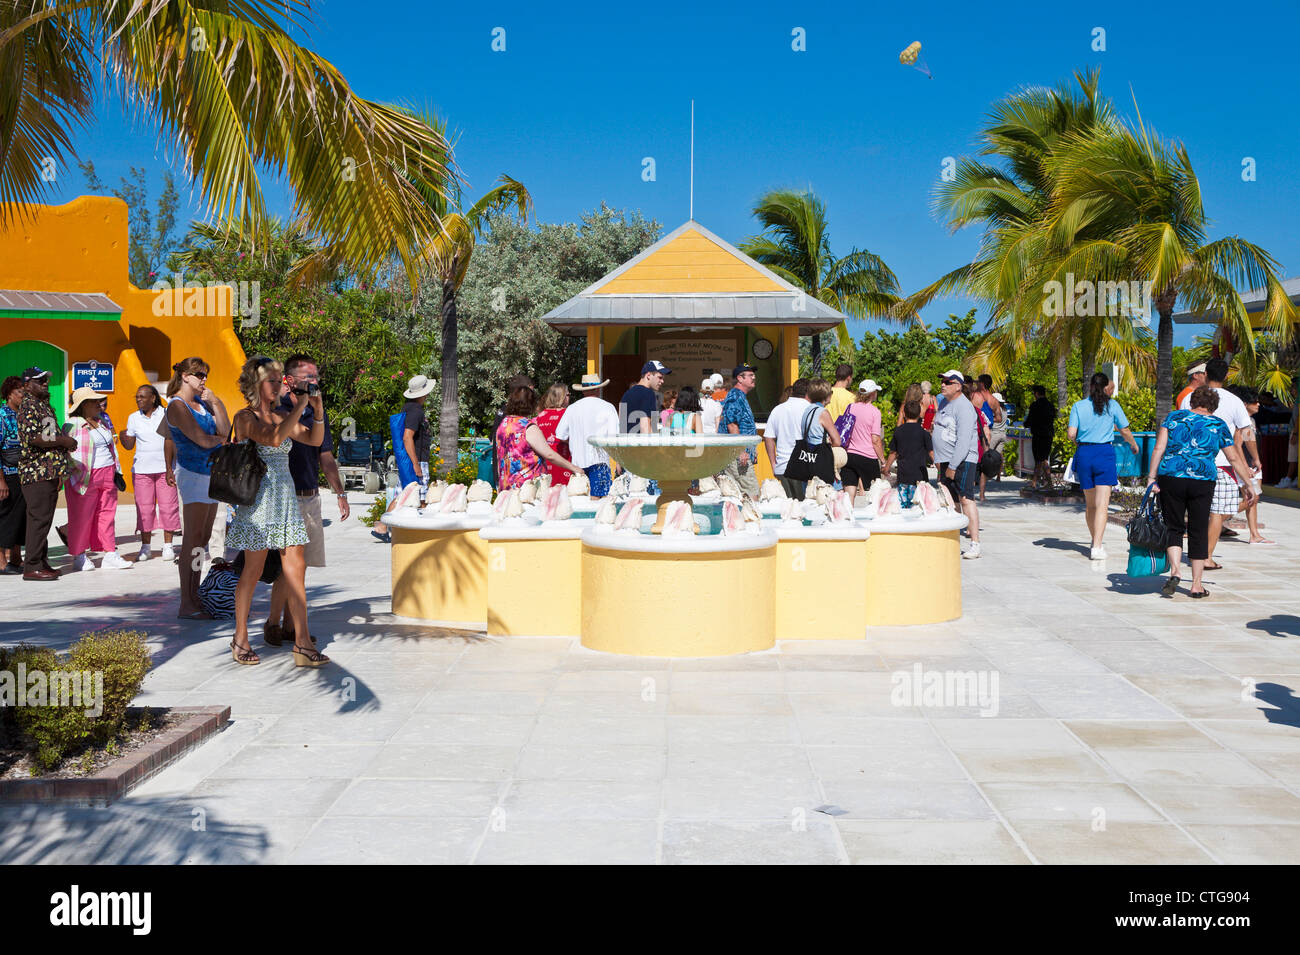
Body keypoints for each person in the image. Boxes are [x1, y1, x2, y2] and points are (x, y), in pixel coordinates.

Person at [225, 356, 328, 666]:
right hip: (258, 501)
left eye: (279, 379)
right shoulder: (245, 418)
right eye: (272, 380)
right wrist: (301, 404)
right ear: (257, 385)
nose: (279, 384)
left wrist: (317, 411)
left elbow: (313, 438)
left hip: (284, 499)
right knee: (253, 572)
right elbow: (272, 438)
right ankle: (240, 638)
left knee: (295, 569)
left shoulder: (279, 415)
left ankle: (302, 642)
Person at [264, 354, 350, 648]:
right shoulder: (277, 409)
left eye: (316, 376)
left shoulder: (315, 413)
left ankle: (290, 625)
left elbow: (324, 455)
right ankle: (274, 623)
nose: (314, 382)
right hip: (284, 498)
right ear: (289, 380)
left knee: (301, 567)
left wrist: (340, 493)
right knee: (287, 568)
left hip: (310, 496)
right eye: (307, 377)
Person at [1147, 385, 1256, 598]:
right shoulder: (1218, 424)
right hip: (1202, 480)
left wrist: (1151, 477)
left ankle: (1176, 570)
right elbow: (1233, 457)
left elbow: (1159, 448)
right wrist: (1248, 484)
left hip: (1172, 477)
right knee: (1197, 530)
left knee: (1174, 527)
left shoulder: (1173, 418)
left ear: (1192, 402)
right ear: (1213, 407)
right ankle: (1196, 585)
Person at [164, 357, 230, 617]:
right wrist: (219, 440)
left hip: (211, 474)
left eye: (205, 374)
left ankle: (194, 595)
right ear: (184, 376)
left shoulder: (202, 402)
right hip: (192, 474)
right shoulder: (177, 406)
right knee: (192, 539)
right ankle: (186, 601)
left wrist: (215, 402)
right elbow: (202, 440)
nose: (203, 379)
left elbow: (224, 429)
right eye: (199, 374)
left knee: (201, 540)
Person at [1178, 358, 1251, 569]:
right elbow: (1246, 432)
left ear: (1206, 374)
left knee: (1196, 511)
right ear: (1226, 375)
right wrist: (1251, 459)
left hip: (1191, 462)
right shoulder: (1235, 401)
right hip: (1224, 464)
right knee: (1217, 512)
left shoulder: (1190, 398)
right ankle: (1206, 556)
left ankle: (1194, 552)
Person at [1068, 372, 1139, 561]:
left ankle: (1094, 540)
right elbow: (1124, 430)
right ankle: (1097, 546)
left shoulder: (1078, 406)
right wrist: (1133, 444)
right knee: (1102, 505)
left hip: (1084, 454)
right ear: (1106, 387)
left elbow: (1071, 434)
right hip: (1104, 455)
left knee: (1090, 505)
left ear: (1091, 386)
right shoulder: (1112, 405)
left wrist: (1082, 442)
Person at [16, 367, 76, 580]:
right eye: (39, 380)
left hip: (48, 471)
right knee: (38, 520)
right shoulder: (28, 405)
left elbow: (48, 435)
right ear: (26, 384)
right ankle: (31, 567)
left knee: (44, 520)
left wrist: (63, 444)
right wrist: (63, 441)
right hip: (36, 472)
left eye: (46, 379)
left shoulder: (42, 405)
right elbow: (35, 438)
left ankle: (41, 562)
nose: (45, 383)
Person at [64, 387, 130, 571]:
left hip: (107, 472)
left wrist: (116, 469)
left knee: (107, 514)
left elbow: (111, 446)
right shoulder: (73, 424)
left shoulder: (102, 421)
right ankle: (79, 556)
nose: (99, 404)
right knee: (82, 516)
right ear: (83, 405)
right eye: (94, 401)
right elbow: (66, 452)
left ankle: (110, 553)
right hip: (84, 474)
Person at [120, 384, 178, 562]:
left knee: (168, 507)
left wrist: (171, 469)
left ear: (153, 398)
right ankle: (145, 547)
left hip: (165, 470)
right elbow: (129, 445)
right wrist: (123, 436)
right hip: (142, 470)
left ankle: (168, 546)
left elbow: (173, 441)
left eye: (142, 397)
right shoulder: (133, 418)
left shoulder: (167, 414)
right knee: (144, 509)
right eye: (137, 397)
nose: (138, 400)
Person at [495, 377, 582, 489]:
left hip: (506, 485)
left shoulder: (503, 424)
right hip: (527, 487)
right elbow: (549, 454)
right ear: (530, 404)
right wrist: (574, 468)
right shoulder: (527, 427)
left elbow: (500, 458)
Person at [932, 371, 982, 558]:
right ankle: (953, 542)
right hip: (946, 461)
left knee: (966, 498)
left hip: (962, 460)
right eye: (942, 381)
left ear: (958, 386)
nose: (943, 384)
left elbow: (963, 440)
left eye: (947, 382)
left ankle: (975, 543)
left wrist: (953, 466)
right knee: (950, 500)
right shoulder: (945, 403)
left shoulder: (964, 407)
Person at [556, 373, 620, 498]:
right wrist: (618, 462)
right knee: (600, 505)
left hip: (577, 465)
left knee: (580, 504)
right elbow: (614, 438)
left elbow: (561, 435)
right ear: (598, 388)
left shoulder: (572, 408)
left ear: (583, 390)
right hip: (600, 463)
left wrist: (577, 442)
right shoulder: (607, 407)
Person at [1228, 386, 1272, 545]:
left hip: (1253, 466)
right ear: (1245, 404)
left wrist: (1256, 460)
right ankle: (1216, 519)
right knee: (1252, 498)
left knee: (1254, 498)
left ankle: (1254, 534)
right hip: (1245, 465)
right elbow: (1238, 444)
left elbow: (1249, 442)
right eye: (1255, 401)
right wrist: (1245, 466)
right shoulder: (1241, 420)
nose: (1259, 404)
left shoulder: (1250, 420)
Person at [763, 378, 812, 499]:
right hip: (803, 466)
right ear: (808, 392)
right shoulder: (810, 409)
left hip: (782, 467)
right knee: (803, 508)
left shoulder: (778, 409)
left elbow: (768, 437)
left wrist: (773, 464)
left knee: (789, 508)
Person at [839, 379, 886, 502]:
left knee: (849, 494)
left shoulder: (850, 407)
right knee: (875, 495)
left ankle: (848, 517)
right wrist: (883, 460)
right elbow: (875, 440)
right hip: (867, 457)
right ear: (872, 393)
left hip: (849, 456)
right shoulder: (875, 412)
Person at [718, 364, 761, 499]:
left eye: (753, 375)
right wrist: (741, 450)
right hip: (737, 454)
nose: (754, 378)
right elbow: (732, 424)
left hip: (737, 453)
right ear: (740, 378)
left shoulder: (739, 396)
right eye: (750, 375)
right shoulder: (735, 396)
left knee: (736, 495)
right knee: (752, 493)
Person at [0, 376, 27, 574]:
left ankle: (16, 558)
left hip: (23, 474)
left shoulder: (23, 415)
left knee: (19, 517)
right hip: (7, 474)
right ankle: (1, 561)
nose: (23, 395)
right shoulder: (2, 415)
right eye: (20, 392)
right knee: (5, 517)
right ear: (9, 394)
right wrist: (0, 480)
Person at [885, 399, 933, 506]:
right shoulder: (923, 433)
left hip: (903, 475)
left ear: (904, 414)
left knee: (904, 506)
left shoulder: (898, 431)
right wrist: (939, 470)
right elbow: (931, 452)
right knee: (919, 506)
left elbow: (893, 453)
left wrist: (886, 468)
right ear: (919, 414)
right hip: (920, 477)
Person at [534, 384, 574, 485]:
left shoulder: (539, 416)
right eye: (568, 395)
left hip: (544, 465)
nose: (569, 397)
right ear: (562, 397)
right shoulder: (568, 414)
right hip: (565, 462)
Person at [623, 361, 668, 434]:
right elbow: (645, 427)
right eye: (660, 377)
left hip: (625, 443)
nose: (662, 381)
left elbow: (622, 425)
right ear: (648, 375)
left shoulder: (627, 394)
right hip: (641, 443)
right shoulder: (648, 393)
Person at [1025, 385, 1057, 489]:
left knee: (1040, 459)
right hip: (1048, 435)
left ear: (1037, 393)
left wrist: (1026, 424)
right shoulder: (1050, 405)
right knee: (1042, 459)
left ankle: (1044, 482)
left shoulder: (1035, 405)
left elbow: (1029, 421)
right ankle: (1039, 482)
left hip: (1038, 435)